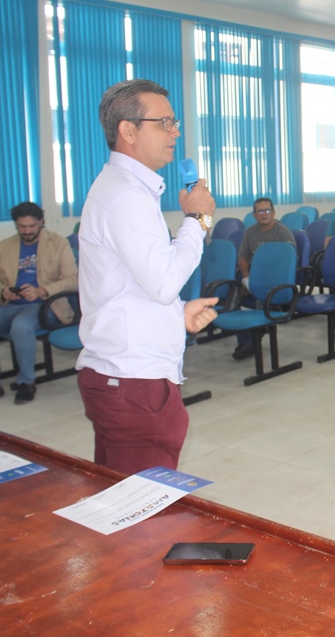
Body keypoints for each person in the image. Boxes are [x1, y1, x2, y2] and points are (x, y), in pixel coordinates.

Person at [77, 78, 218, 474]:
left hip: (121, 376)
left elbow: (133, 284)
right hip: (133, 383)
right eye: (164, 123)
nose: (175, 132)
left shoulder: (124, 189)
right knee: (144, 519)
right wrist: (198, 218)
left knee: (118, 501)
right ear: (128, 130)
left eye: (175, 123)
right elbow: (162, 283)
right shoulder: (127, 195)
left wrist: (177, 315)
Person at [0, 202, 78, 407]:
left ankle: (26, 382)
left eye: (31, 226)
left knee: (21, 326)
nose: (27, 231)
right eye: (22, 227)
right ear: (16, 225)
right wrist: (3, 292)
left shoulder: (58, 243)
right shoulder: (5, 246)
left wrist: (41, 291)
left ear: (40, 222)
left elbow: (72, 280)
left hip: (46, 305)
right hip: (8, 305)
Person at [232, 197, 297, 360]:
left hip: (276, 279)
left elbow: (289, 261)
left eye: (267, 210)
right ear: (254, 214)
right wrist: (246, 278)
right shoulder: (250, 232)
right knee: (235, 296)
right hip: (255, 276)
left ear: (273, 212)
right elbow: (243, 257)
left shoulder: (283, 232)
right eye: (260, 211)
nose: (264, 214)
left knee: (260, 299)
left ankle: (253, 340)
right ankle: (246, 340)